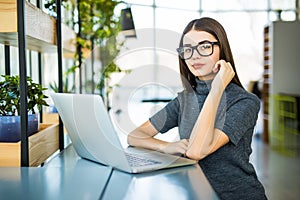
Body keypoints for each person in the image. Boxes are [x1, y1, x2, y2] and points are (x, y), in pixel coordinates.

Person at [127, 17, 267, 200]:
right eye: (188, 49)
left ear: (221, 50)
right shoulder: (184, 100)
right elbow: (135, 136)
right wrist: (167, 146)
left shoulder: (245, 102)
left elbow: (196, 151)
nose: (194, 56)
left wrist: (216, 89)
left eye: (205, 46)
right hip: (196, 194)